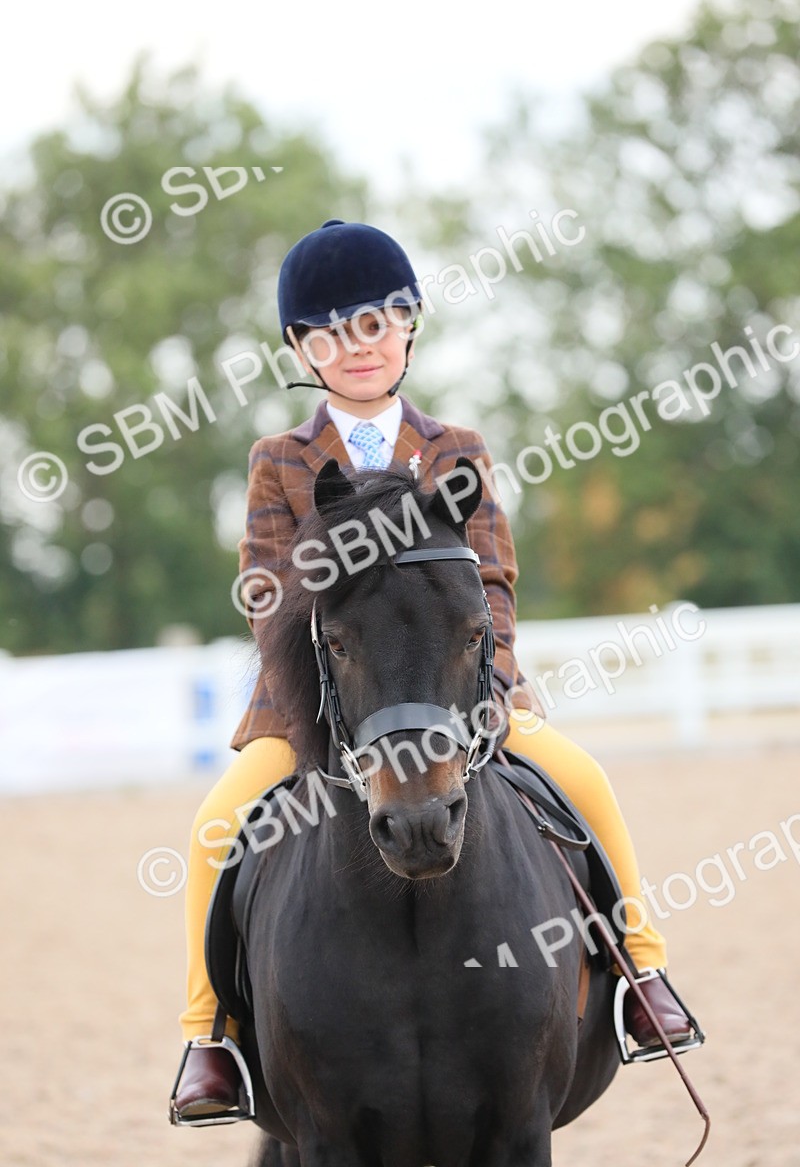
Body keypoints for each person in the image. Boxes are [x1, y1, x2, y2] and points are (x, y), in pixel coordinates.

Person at [171, 219, 697, 1123]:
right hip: (315, 709)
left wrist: (484, 693)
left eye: (374, 324)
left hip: (463, 695)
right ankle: (209, 1036)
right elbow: (268, 596)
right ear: (300, 348)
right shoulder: (280, 463)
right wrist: (318, 709)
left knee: (587, 780)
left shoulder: (458, 449)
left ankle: (642, 977)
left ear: (408, 326)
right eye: (329, 332)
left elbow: (491, 583)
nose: (356, 347)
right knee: (215, 825)